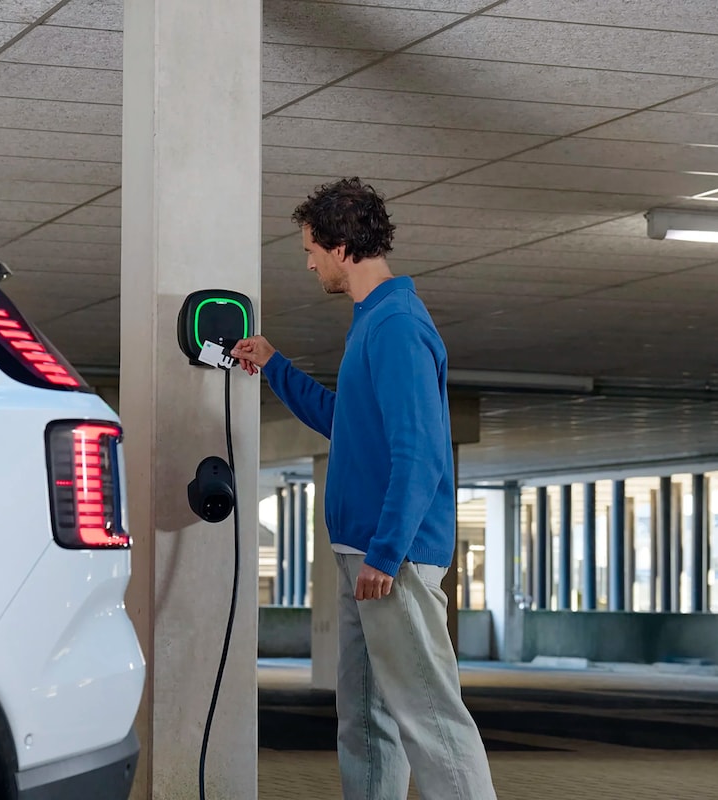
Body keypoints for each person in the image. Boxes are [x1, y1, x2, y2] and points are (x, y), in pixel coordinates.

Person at [231, 178, 496, 800]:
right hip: (363, 553)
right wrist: (274, 364)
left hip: (391, 560)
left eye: (311, 250)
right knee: (367, 722)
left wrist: (385, 552)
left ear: (343, 247)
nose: (309, 262)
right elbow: (343, 422)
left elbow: (423, 453)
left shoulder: (398, 325)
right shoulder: (372, 322)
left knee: (430, 721)